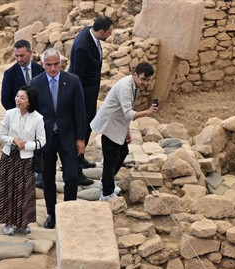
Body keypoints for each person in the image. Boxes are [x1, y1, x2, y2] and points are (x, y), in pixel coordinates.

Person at [30, 48, 87, 229]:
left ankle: (69, 211)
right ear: (43, 64)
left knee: (71, 176)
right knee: (48, 178)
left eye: (56, 64)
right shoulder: (36, 82)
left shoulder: (72, 81)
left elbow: (80, 111)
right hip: (45, 139)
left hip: (68, 136)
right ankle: (52, 214)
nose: (53, 69)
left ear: (61, 63)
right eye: (49, 65)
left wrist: (81, 138)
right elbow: (33, 113)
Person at [90, 62, 157, 201]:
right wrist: (147, 112)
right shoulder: (126, 87)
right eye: (143, 79)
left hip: (117, 124)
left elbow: (125, 110)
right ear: (135, 75)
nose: (145, 83)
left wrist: (127, 130)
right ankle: (107, 194)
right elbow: (128, 113)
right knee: (111, 159)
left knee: (122, 153)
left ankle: (105, 183)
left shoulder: (134, 85)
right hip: (110, 125)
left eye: (148, 80)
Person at [0, 86, 46, 235]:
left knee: (25, 191)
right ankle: (8, 223)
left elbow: (42, 141)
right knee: (7, 190)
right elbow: (0, 136)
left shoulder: (38, 118)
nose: (18, 100)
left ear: (29, 102)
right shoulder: (9, 114)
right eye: (17, 96)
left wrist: (26, 146)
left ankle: (23, 223)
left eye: (22, 98)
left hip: (26, 160)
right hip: (9, 158)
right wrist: (13, 140)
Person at [69, 15, 113, 175]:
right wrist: (79, 103)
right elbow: (77, 77)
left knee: (88, 127)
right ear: (101, 31)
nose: (110, 35)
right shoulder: (83, 47)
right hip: (83, 95)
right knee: (82, 129)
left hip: (90, 91)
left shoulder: (90, 32)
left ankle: (80, 159)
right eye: (109, 32)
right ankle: (76, 169)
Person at [1, 40, 43, 111]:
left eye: (22, 55)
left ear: (30, 53)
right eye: (17, 56)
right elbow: (5, 99)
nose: (19, 59)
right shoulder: (9, 74)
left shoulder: (40, 70)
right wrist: (18, 114)